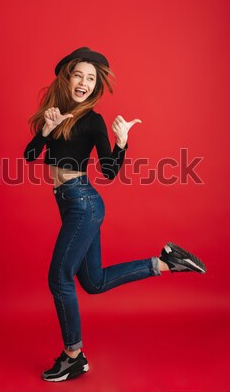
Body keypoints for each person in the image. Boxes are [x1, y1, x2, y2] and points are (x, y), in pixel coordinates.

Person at [23, 47, 207, 382]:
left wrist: (121, 143)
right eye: (79, 74)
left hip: (83, 203)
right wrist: (47, 129)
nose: (84, 82)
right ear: (67, 77)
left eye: (91, 78)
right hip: (71, 204)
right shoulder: (52, 113)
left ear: (96, 87)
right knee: (92, 282)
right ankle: (166, 262)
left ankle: (73, 356)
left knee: (58, 278)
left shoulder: (92, 121)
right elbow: (30, 154)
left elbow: (108, 171)